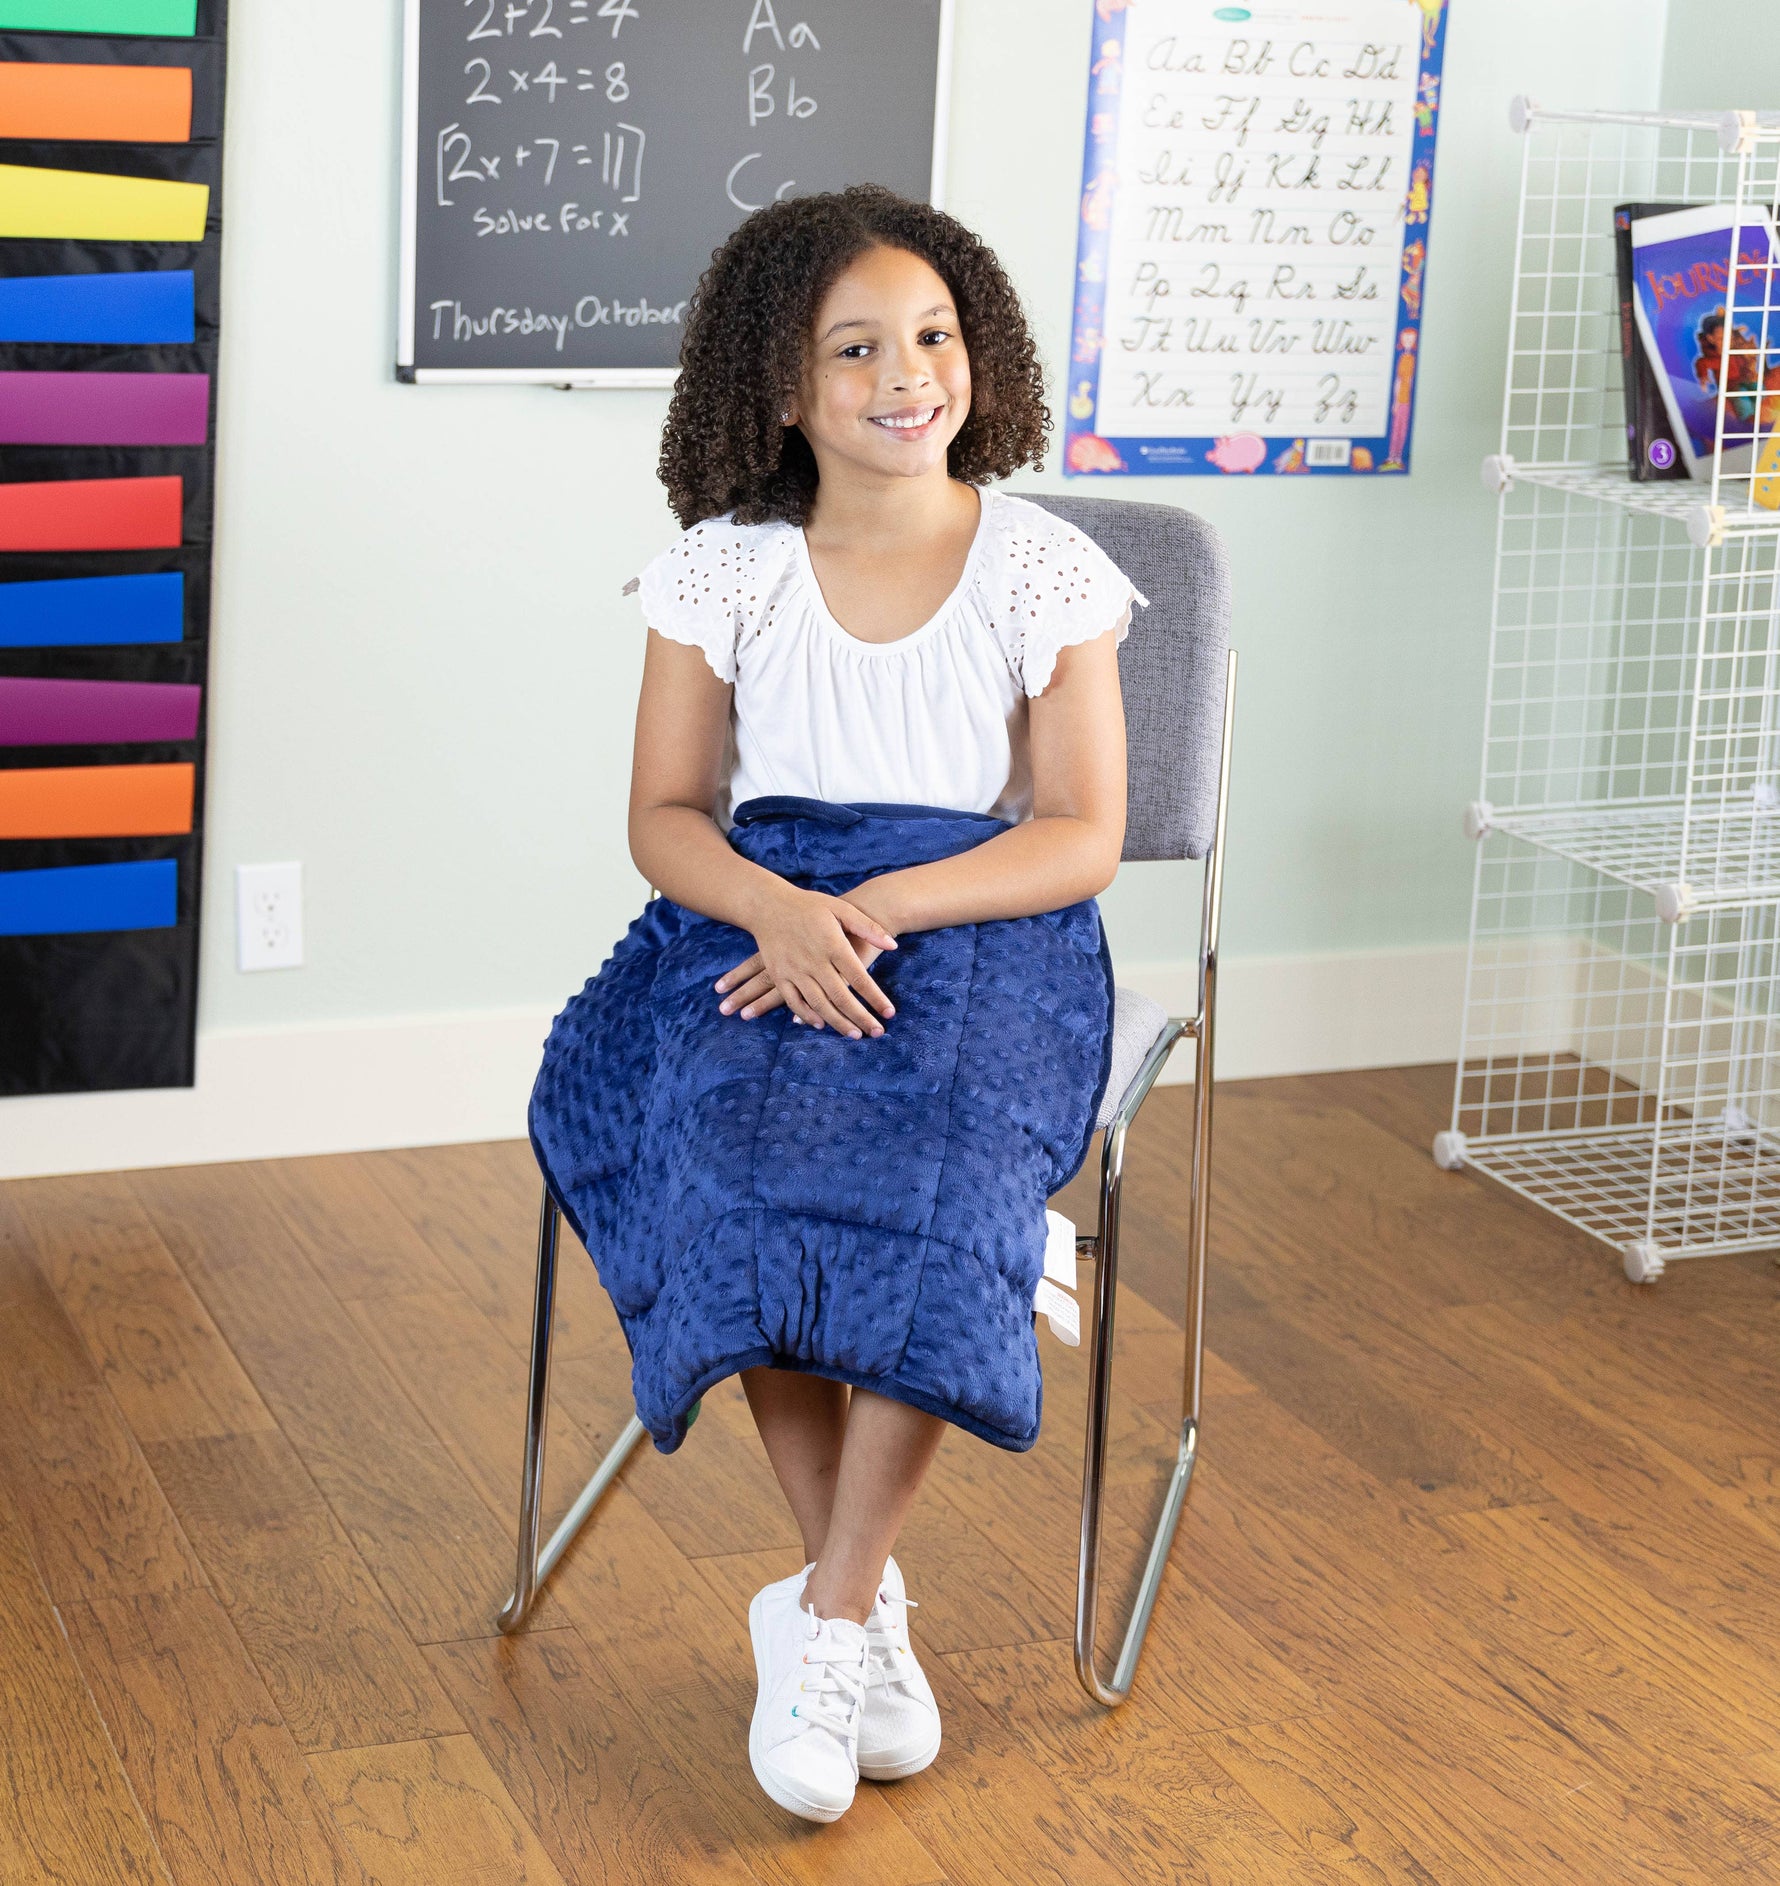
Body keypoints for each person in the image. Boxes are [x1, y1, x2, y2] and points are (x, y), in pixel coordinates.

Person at [624, 184, 1143, 1822]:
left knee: (942, 1190)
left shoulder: (1046, 569)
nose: (906, 372)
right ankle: (855, 1601)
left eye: (933, 335)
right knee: (735, 1165)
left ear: (975, 354)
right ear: (780, 390)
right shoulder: (724, 573)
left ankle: (829, 1613)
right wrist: (783, 909)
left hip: (981, 927)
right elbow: (664, 818)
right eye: (856, 348)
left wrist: (878, 906)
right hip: (765, 917)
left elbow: (1081, 832)